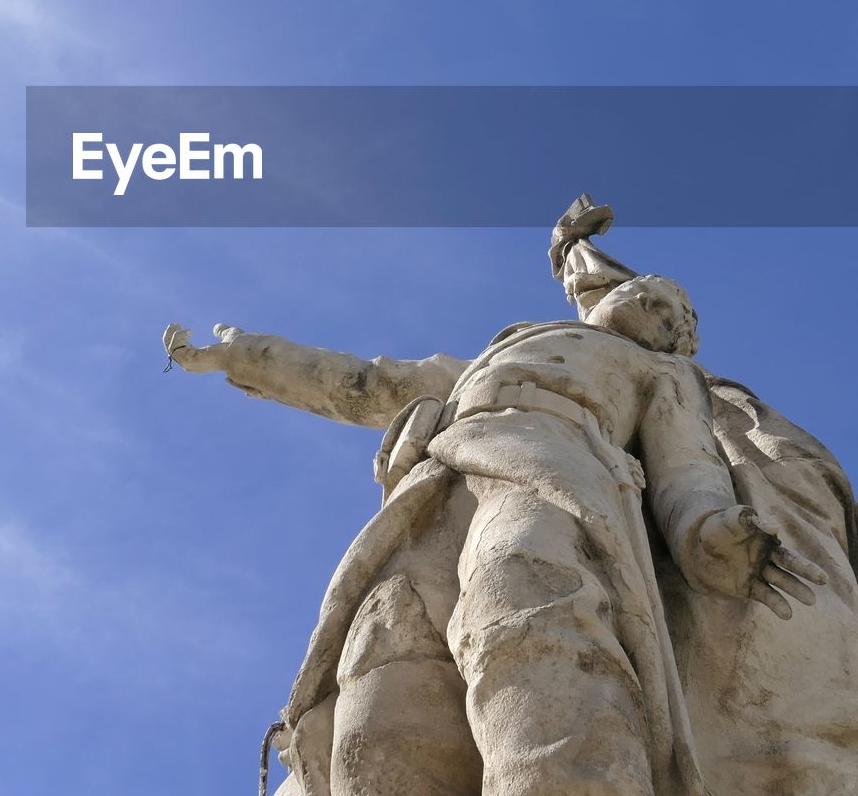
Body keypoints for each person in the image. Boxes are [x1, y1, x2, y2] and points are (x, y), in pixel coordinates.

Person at [163, 201, 852, 796]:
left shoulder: (661, 374)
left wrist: (709, 530)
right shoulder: (486, 361)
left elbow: (688, 464)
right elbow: (363, 383)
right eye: (650, 292)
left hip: (555, 470)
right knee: (376, 688)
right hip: (430, 490)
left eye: (674, 315)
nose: (657, 308)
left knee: (529, 615)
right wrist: (244, 357)